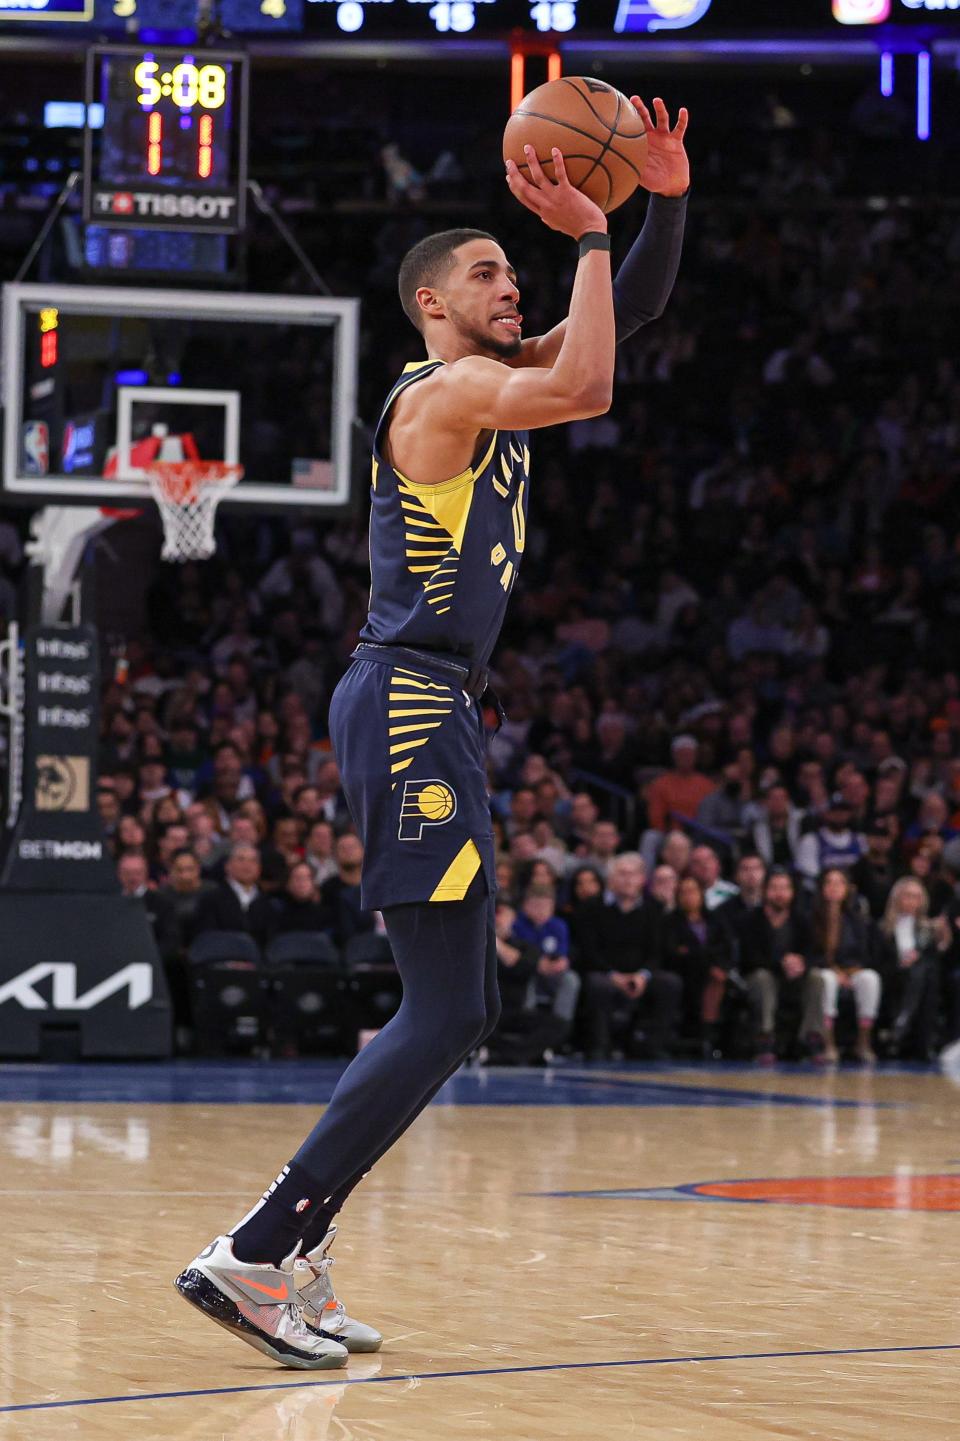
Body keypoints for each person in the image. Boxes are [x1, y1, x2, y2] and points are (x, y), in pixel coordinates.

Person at [175, 98, 692, 1369]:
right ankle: (253, 1250)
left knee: (462, 1007)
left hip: (430, 702)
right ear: (430, 304)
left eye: (515, 272)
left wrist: (660, 203)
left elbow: (627, 321)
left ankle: (282, 1250)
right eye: (486, 272)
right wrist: (583, 223)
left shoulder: (492, 380)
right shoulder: (449, 392)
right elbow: (595, 380)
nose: (509, 286)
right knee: (445, 1005)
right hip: (409, 699)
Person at [578, 852, 682, 1060]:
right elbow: (588, 951)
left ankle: (651, 1045)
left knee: (670, 983)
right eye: (622, 874)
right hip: (605, 973)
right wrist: (613, 975)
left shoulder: (653, 909)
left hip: (639, 974)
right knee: (598, 985)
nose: (627, 880)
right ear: (611, 879)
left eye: (632, 875)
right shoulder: (592, 907)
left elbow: (656, 952)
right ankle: (600, 1045)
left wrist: (642, 976)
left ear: (642, 879)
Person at [737, 869, 823, 1062]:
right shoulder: (750, 920)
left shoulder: (801, 920)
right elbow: (748, 958)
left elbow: (813, 953)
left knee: (817, 978)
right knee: (763, 978)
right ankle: (765, 1036)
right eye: (774, 888)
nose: (780, 893)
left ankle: (811, 1037)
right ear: (765, 891)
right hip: (761, 976)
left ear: (792, 892)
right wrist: (781, 963)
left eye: (784, 888)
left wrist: (802, 963)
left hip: (794, 978)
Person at [808, 867, 881, 1065]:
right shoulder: (811, 917)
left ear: (847, 888)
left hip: (851, 970)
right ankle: (828, 1042)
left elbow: (864, 954)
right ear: (822, 887)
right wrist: (835, 971)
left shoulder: (856, 919)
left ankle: (863, 1041)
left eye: (839, 882)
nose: (834, 887)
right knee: (827, 980)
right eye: (829, 882)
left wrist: (850, 972)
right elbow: (810, 953)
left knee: (870, 979)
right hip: (822, 970)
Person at [662, 873, 732, 1056]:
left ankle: (710, 1034)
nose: (689, 896)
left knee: (718, 978)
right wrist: (704, 958)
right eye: (683, 892)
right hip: (686, 974)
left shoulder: (715, 920)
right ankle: (706, 1035)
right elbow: (672, 953)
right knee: (711, 976)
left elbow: (726, 948)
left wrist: (696, 953)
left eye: (693, 891)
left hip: (717, 972)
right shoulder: (670, 922)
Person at [875, 876, 944, 1062]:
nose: (912, 901)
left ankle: (901, 1028)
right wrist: (901, 963)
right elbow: (877, 961)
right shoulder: (883, 928)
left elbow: (934, 960)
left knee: (923, 972)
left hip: (919, 980)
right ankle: (906, 1031)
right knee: (918, 973)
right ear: (897, 898)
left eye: (916, 897)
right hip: (893, 976)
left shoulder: (927, 930)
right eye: (907, 895)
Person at [511, 884, 580, 1050]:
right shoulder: (516, 924)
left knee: (570, 979)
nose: (541, 911)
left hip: (551, 973)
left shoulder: (558, 925)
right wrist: (537, 964)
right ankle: (528, 1025)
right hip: (525, 972)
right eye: (536, 906)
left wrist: (560, 963)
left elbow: (561, 955)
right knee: (528, 975)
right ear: (525, 905)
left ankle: (560, 1026)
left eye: (546, 906)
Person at [194, 842, 276, 949]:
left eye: (253, 861)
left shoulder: (268, 902)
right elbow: (207, 938)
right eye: (241, 859)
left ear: (259, 868)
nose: (247, 865)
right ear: (227, 866)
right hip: (221, 960)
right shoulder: (210, 900)